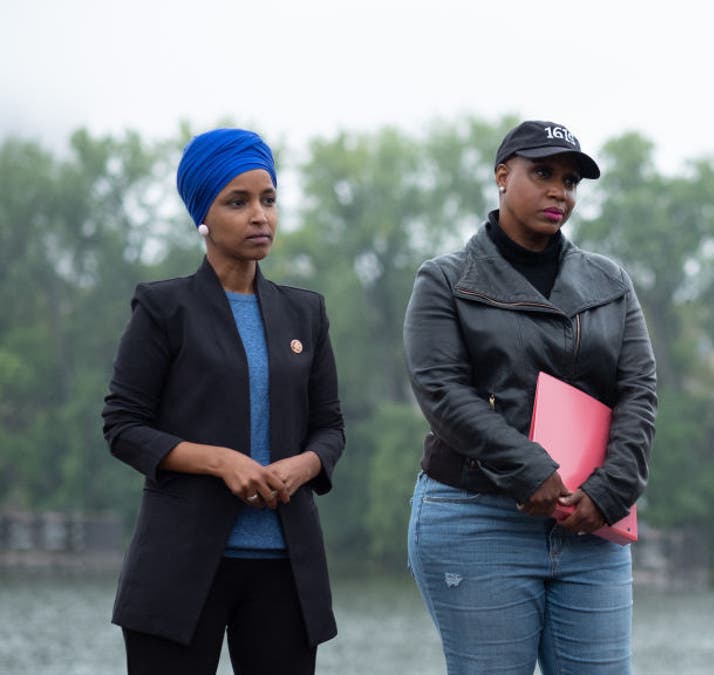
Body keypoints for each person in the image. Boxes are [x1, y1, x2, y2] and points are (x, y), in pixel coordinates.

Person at [403, 120, 657, 674]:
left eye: (570, 181)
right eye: (542, 173)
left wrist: (608, 492)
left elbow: (639, 392)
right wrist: (530, 471)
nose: (558, 192)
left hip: (592, 523)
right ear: (501, 175)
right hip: (476, 519)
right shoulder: (445, 280)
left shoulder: (610, 282)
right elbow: (442, 392)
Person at [102, 128, 344, 675]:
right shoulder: (164, 308)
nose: (260, 215)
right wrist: (221, 461)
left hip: (285, 571)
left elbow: (330, 428)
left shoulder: (306, 313)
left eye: (268, 199)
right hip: (179, 571)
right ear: (203, 215)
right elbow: (123, 426)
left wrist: (303, 466)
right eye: (238, 202)